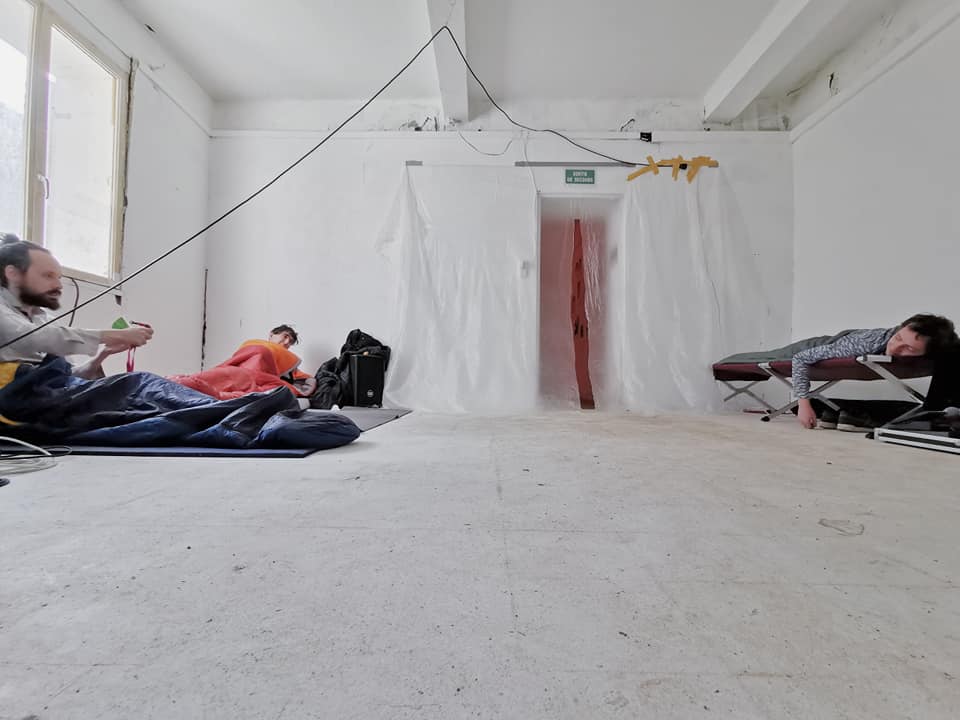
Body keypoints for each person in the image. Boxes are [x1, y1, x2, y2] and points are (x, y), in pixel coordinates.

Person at [0, 235, 153, 382]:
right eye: (48, 276)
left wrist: (102, 354)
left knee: (143, 384)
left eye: (58, 278)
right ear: (12, 273)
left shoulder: (44, 319)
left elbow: (70, 377)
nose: (58, 285)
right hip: (17, 395)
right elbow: (32, 338)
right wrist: (115, 335)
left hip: (51, 394)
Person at [794, 314, 957, 429]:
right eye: (898, 338)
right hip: (811, 347)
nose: (895, 347)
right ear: (899, 329)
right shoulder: (864, 344)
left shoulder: (939, 348)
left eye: (909, 348)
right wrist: (803, 405)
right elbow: (800, 358)